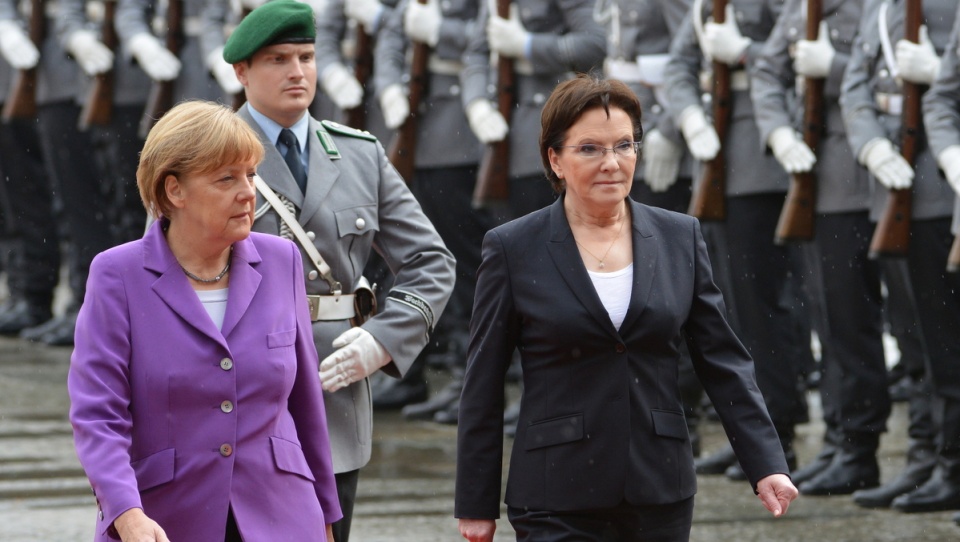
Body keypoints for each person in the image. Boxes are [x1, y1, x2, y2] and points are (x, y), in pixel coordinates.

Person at [455, 74, 798, 542]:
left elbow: (722, 362)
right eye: (590, 149)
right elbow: (483, 383)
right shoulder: (513, 248)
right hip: (556, 493)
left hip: (658, 490)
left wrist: (766, 465)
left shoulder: (680, 236)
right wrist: (476, 503)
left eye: (624, 145)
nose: (612, 163)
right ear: (555, 159)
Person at [222, 2, 455, 539]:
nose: (297, 71)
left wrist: (382, 339)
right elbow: (160, 275)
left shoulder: (358, 154)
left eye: (306, 56)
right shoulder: (205, 152)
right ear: (241, 72)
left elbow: (430, 262)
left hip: (334, 382)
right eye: (278, 59)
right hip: (239, 382)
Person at [68, 100, 341, 541]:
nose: (249, 192)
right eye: (226, 179)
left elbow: (306, 405)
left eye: (251, 174)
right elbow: (98, 416)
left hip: (284, 517)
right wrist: (126, 512)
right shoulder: (117, 274)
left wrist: (327, 516)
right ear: (174, 190)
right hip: (164, 520)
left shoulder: (281, 260)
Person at [751, 0, 902, 497]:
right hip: (814, 174)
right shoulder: (801, 7)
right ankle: (840, 441)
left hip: (857, 175)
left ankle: (860, 446)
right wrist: (776, 130)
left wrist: (830, 69)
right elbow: (767, 70)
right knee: (827, 316)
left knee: (854, 321)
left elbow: (884, 77)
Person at [663, 0, 809, 480]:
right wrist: (689, 117)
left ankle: (776, 434)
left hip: (759, 158)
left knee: (760, 307)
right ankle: (746, 436)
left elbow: (791, 55)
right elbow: (681, 64)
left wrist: (745, 51)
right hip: (717, 155)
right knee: (727, 309)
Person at [841, 0, 960, 513]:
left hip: (936, 185)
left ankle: (950, 463)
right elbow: (855, 86)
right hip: (893, 182)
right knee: (914, 338)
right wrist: (870, 145)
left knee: (944, 344)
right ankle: (925, 457)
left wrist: (934, 72)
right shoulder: (882, 5)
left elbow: (944, 94)